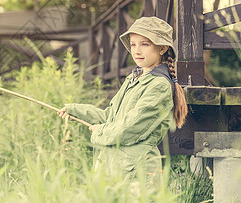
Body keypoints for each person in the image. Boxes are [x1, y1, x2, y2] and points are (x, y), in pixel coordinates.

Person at [58, 16, 188, 191]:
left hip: (138, 174)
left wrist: (100, 132)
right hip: (115, 169)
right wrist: (76, 111)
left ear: (163, 48)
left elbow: (131, 127)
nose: (137, 51)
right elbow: (110, 117)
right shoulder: (134, 78)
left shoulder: (159, 85)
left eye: (145, 44)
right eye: (133, 44)